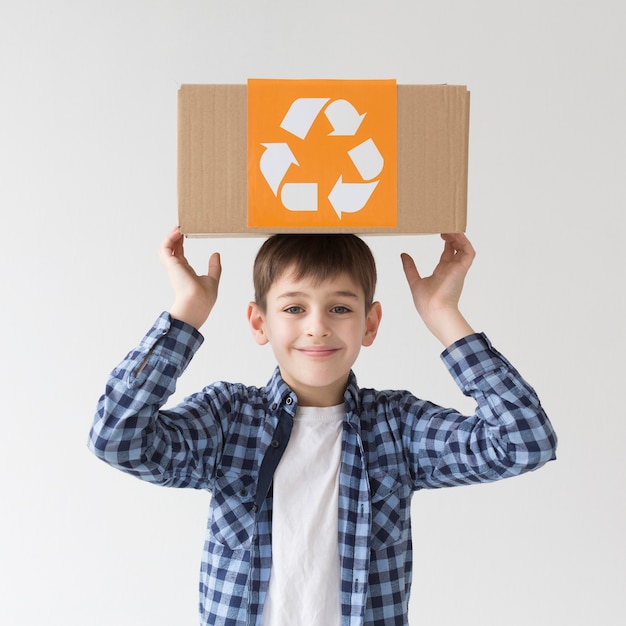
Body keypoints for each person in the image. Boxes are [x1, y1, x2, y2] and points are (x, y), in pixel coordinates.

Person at [88, 227, 557, 626]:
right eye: (294, 308)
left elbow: (523, 443)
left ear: (370, 324)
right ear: (259, 322)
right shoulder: (229, 419)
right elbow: (117, 440)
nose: (317, 327)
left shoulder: (396, 427)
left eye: (340, 308)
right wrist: (186, 312)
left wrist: (443, 316)